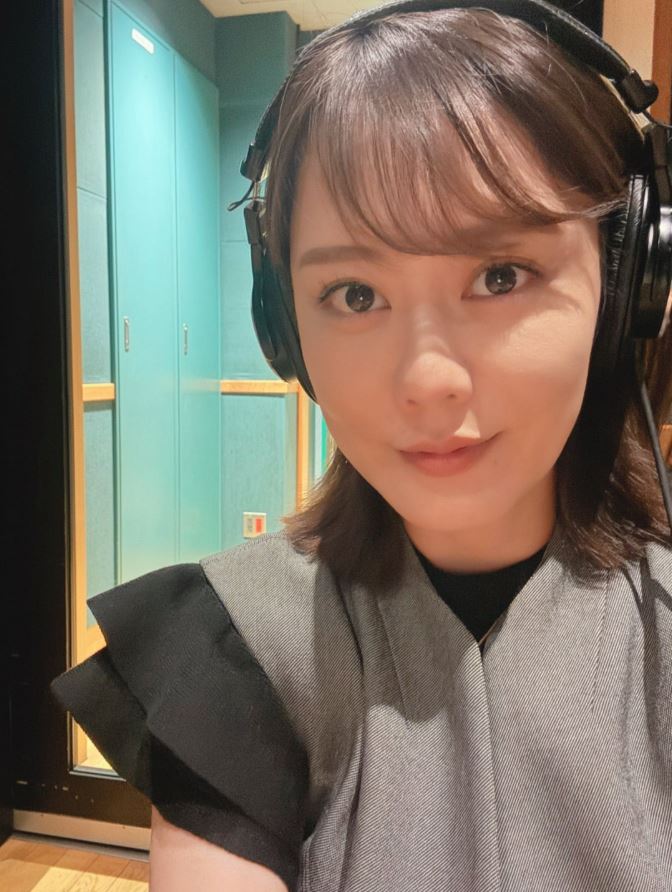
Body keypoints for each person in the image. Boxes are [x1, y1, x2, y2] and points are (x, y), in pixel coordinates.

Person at [51, 2, 672, 890]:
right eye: (353, 294)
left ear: (627, 287)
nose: (427, 380)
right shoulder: (233, 648)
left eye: (500, 275)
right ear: (285, 331)